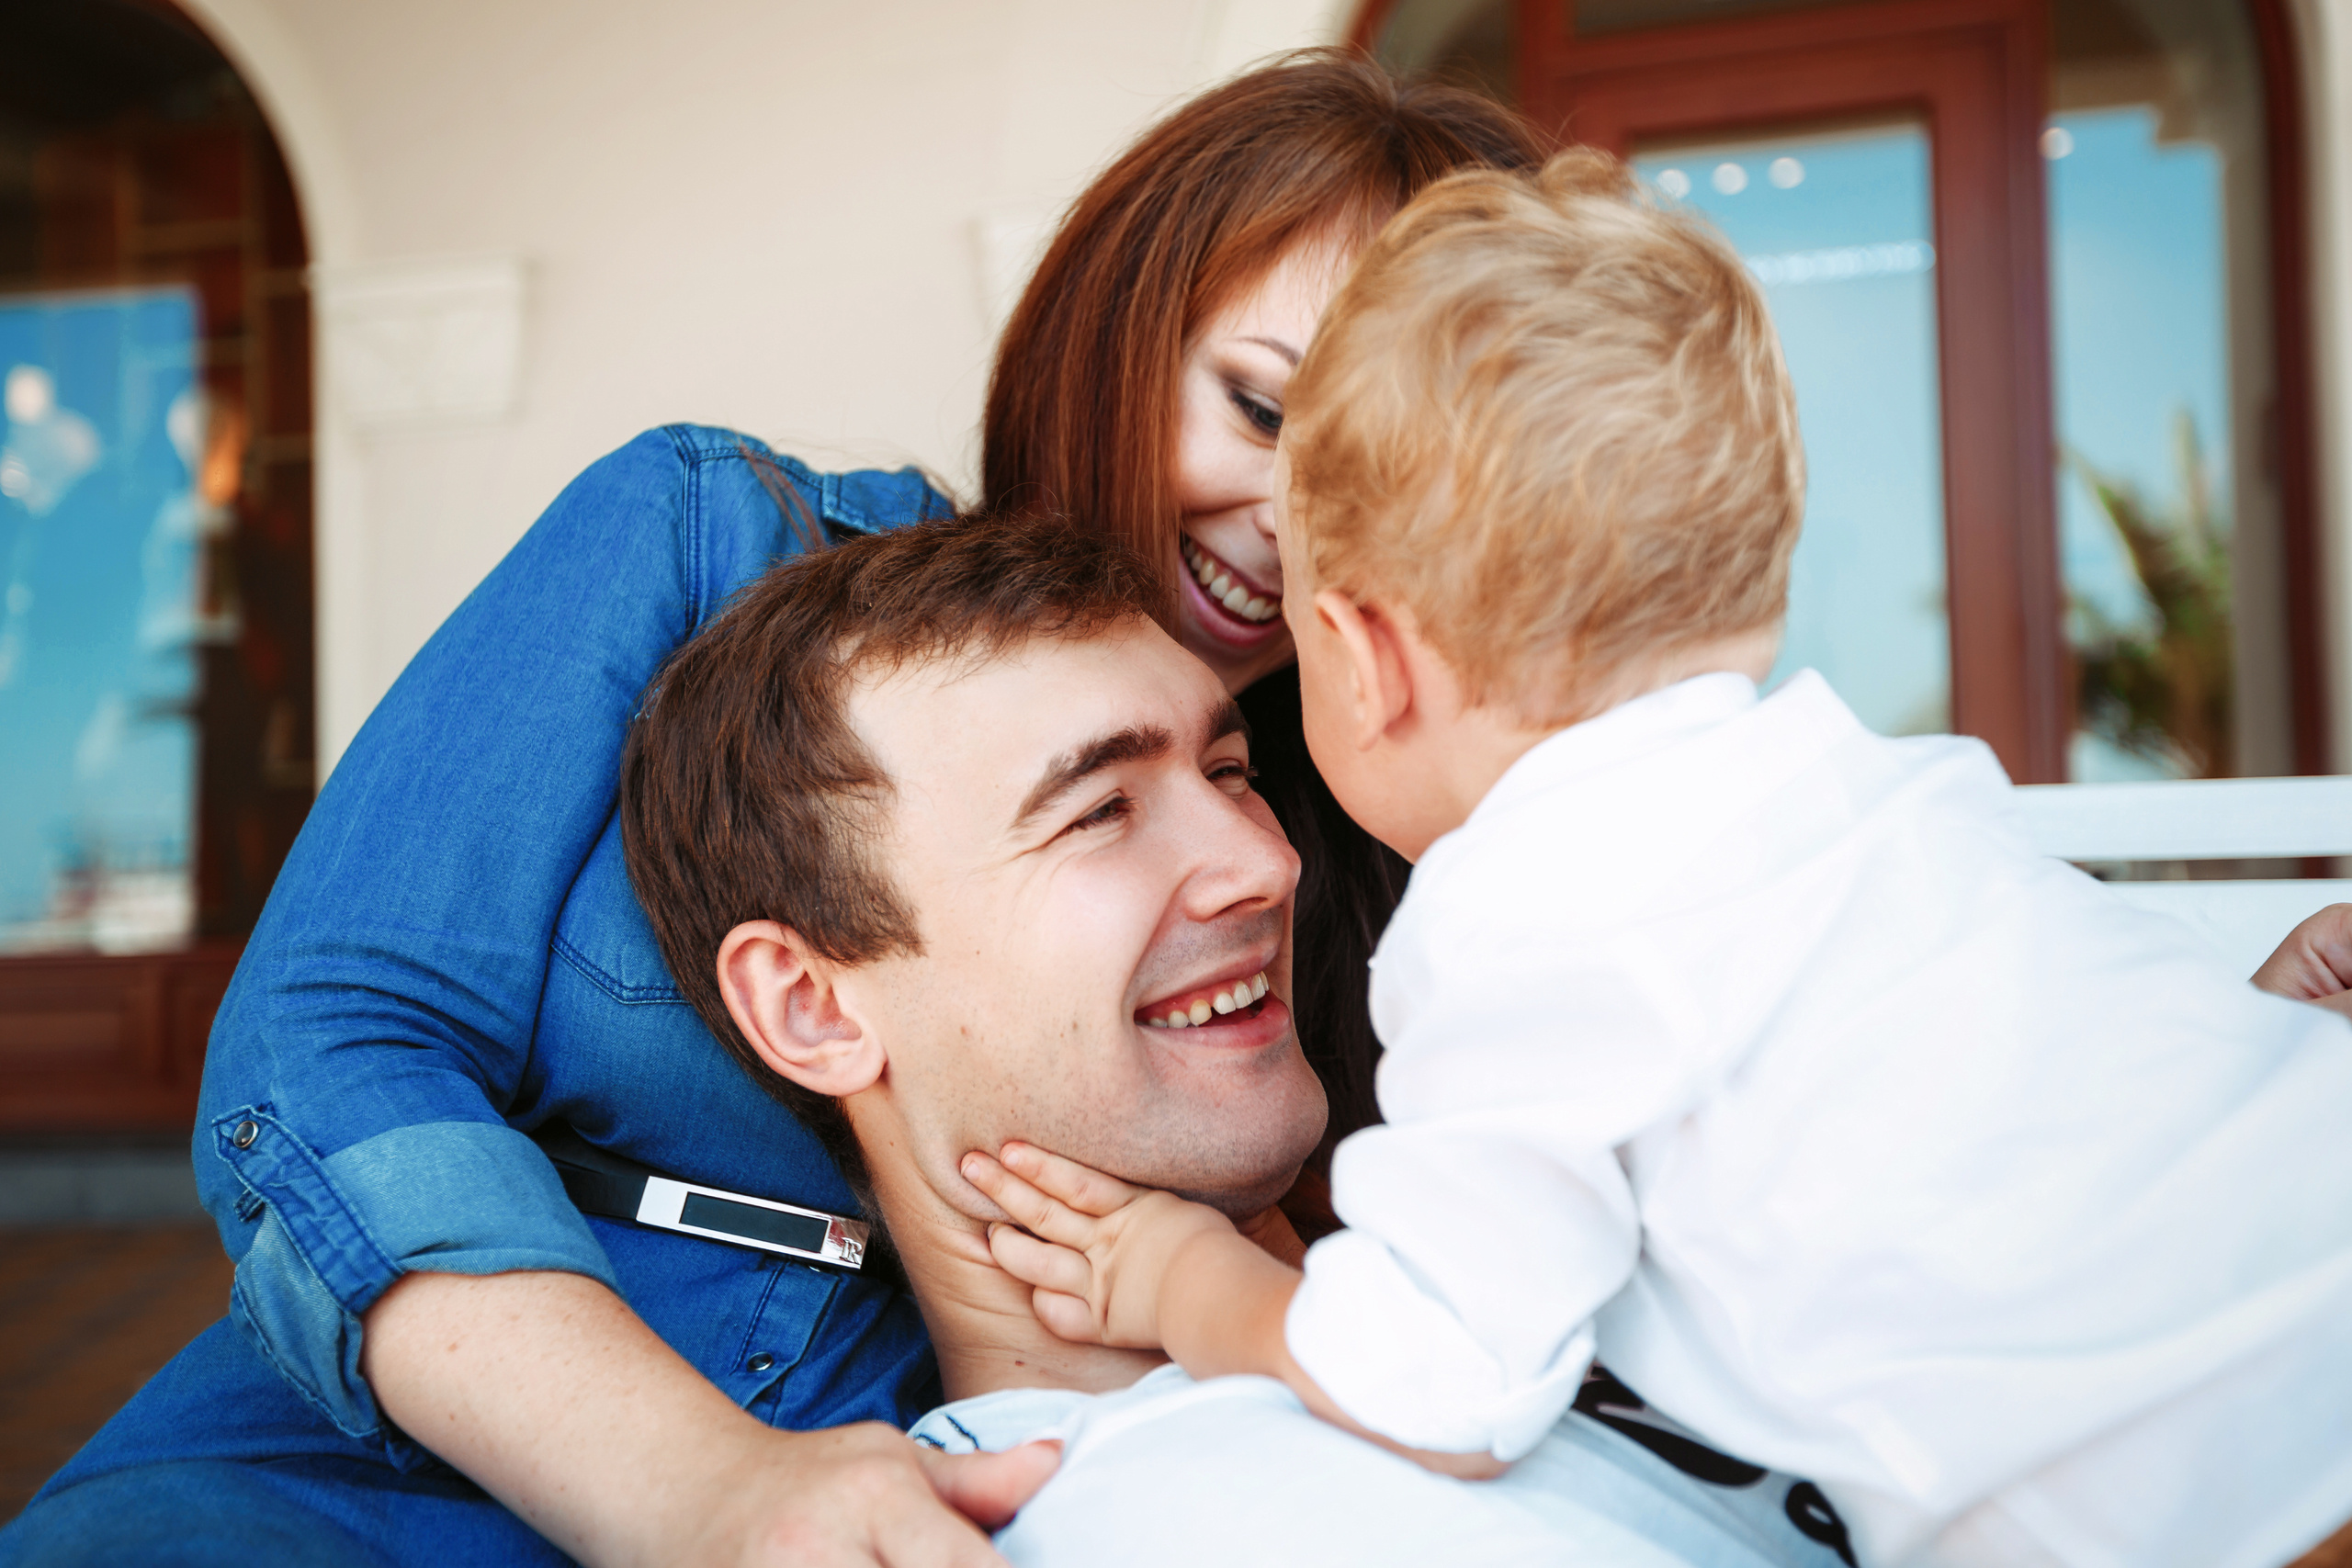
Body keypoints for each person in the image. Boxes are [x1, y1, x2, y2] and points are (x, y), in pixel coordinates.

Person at [0, 51, 1545, 1568]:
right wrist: (700, 1489)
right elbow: (325, 1045)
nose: (1298, 528)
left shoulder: (1348, 816)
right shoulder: (720, 539)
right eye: (1265, 415)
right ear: (1119, 337)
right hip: (391, 1476)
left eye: (1390, 475)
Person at [965, 150, 2352, 1568]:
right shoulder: (1891, 789)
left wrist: (1185, 1279)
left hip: (2234, 1509)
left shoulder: (1511, 924)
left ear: (1367, 658)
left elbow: (1440, 1381)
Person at [618, 506, 1856, 1568]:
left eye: (1230, 769)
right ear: (814, 1007)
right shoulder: (1096, 1520)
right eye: (1099, 811)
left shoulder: (1521, 1246)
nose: (1265, 864)